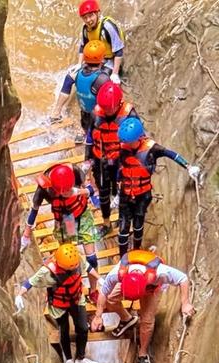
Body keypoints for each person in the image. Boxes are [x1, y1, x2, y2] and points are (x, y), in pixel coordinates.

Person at [91, 248, 195, 363]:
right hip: (131, 283)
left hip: (151, 290)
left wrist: (185, 303)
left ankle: (143, 353)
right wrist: (98, 316)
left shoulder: (160, 273)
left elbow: (183, 279)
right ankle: (127, 319)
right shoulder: (118, 273)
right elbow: (104, 292)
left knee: (146, 320)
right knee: (110, 298)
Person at [116, 117, 201, 259]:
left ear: (138, 138)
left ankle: (136, 250)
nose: (125, 144)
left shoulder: (151, 149)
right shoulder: (123, 148)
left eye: (128, 142)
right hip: (126, 194)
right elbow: (121, 170)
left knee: (138, 226)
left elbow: (171, 154)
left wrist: (188, 166)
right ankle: (122, 260)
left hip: (142, 195)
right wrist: (117, 193)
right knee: (123, 229)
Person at [16, 244, 100, 363]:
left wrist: (99, 278)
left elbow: (88, 267)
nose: (73, 269)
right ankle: (68, 360)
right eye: (69, 268)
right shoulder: (47, 271)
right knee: (64, 330)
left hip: (77, 299)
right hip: (58, 304)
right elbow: (30, 282)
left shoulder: (76, 259)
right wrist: (19, 295)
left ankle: (81, 358)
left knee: (83, 327)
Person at [21, 163, 100, 284]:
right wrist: (25, 237)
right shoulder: (44, 188)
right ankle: (74, 283)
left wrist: (78, 191)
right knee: (68, 256)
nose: (64, 194)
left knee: (92, 259)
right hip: (66, 219)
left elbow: (92, 189)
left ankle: (94, 290)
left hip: (82, 214)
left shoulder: (74, 171)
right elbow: (34, 210)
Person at [85, 82, 137, 235]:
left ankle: (124, 220)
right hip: (101, 159)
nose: (107, 112)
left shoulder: (129, 115)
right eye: (105, 109)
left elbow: (136, 139)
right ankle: (107, 222)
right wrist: (88, 160)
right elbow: (90, 137)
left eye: (110, 109)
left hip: (121, 159)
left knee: (124, 191)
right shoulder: (96, 113)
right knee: (103, 191)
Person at [49, 40, 112, 133]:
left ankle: (56, 113)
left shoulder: (77, 73)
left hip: (84, 110)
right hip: (97, 115)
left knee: (85, 122)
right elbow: (110, 99)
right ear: (102, 59)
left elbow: (67, 83)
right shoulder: (103, 78)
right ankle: (87, 133)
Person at [77, 0, 125, 80]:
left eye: (91, 15)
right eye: (85, 18)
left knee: (101, 79)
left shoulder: (107, 26)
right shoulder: (85, 29)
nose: (88, 20)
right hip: (95, 59)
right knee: (77, 76)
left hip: (111, 59)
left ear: (97, 13)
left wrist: (115, 73)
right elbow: (83, 47)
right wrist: (79, 64)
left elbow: (119, 51)